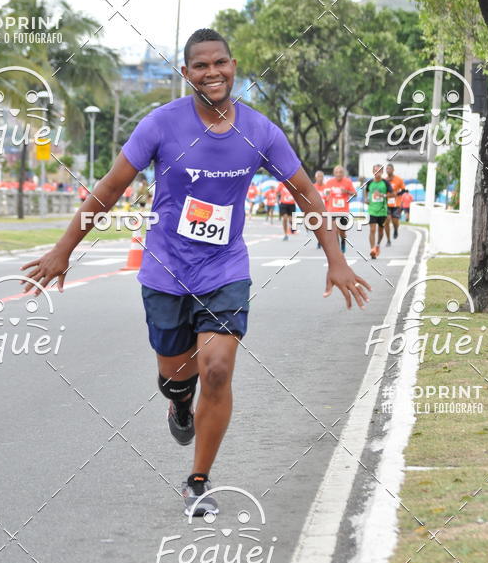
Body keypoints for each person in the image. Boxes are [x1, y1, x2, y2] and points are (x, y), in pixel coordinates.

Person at [21, 28, 370, 517]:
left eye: (220, 63)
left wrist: (336, 258)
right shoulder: (161, 125)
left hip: (225, 269)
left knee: (219, 369)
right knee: (177, 375)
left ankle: (198, 481)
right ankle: (179, 402)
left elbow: (306, 193)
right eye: (201, 66)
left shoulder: (262, 131)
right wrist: (63, 250)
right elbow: (110, 188)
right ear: (186, 74)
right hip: (165, 271)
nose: (213, 73)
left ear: (234, 66)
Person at [323, 165, 356, 255]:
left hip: (343, 211)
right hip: (332, 210)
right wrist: (327, 193)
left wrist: (347, 192)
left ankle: (343, 241)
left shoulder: (347, 182)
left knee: (341, 231)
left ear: (343, 173)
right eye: (337, 172)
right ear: (334, 173)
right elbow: (325, 193)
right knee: (334, 230)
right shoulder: (329, 182)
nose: (339, 174)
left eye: (340, 172)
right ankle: (337, 250)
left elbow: (355, 194)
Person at [365, 164, 391, 259]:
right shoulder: (370, 183)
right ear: (373, 172)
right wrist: (366, 199)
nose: (377, 173)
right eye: (375, 171)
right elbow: (366, 191)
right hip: (372, 210)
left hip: (382, 211)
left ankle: (378, 245)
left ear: (382, 172)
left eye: (379, 171)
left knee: (380, 231)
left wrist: (382, 195)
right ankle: (372, 249)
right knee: (372, 229)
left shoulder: (385, 183)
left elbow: (392, 194)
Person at [384, 163, 406, 245]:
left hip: (396, 203)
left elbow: (403, 190)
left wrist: (396, 194)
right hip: (387, 204)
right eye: (387, 169)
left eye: (389, 169)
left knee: (395, 220)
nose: (388, 170)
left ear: (393, 170)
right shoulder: (385, 180)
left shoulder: (398, 179)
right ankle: (388, 240)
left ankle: (396, 229)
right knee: (387, 221)